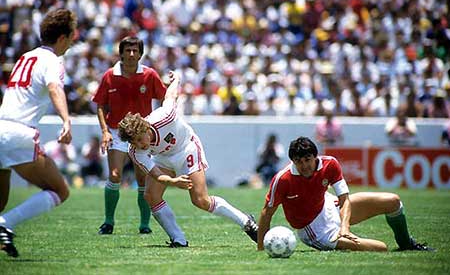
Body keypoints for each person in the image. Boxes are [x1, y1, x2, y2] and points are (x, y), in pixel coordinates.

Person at [117, 71, 258, 247]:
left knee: (200, 200)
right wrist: (174, 181)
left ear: (145, 127)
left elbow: (170, 97)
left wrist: (175, 80)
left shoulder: (164, 117)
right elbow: (156, 174)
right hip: (163, 157)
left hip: (187, 148)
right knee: (151, 195)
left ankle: (247, 222)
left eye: (140, 138)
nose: (140, 145)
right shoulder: (135, 151)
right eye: (134, 142)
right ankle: (178, 239)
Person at [257, 136, 433, 252]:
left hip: (329, 206)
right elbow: (266, 213)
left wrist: (345, 227)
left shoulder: (330, 164)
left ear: (315, 157)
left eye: (307, 160)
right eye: (298, 161)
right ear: (292, 161)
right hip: (315, 230)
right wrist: (260, 250)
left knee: (393, 201)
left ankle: (406, 244)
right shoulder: (283, 179)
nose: (304, 166)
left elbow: (344, 198)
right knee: (381, 248)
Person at [0, 8, 77, 257]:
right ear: (63, 37)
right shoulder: (52, 60)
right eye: (72, 35)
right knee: (60, 190)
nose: (73, 40)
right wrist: (66, 120)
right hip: (19, 133)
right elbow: (54, 88)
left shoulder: (25, 57)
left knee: (0, 202)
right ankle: (4, 225)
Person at [92, 36, 167, 235]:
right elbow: (100, 104)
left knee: (142, 179)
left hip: (141, 135)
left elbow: (165, 98)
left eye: (135, 50)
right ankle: (108, 222)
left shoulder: (150, 75)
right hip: (117, 131)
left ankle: (144, 225)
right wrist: (105, 131)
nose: (132, 54)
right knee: (115, 175)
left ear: (141, 54)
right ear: (121, 53)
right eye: (128, 50)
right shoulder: (109, 76)